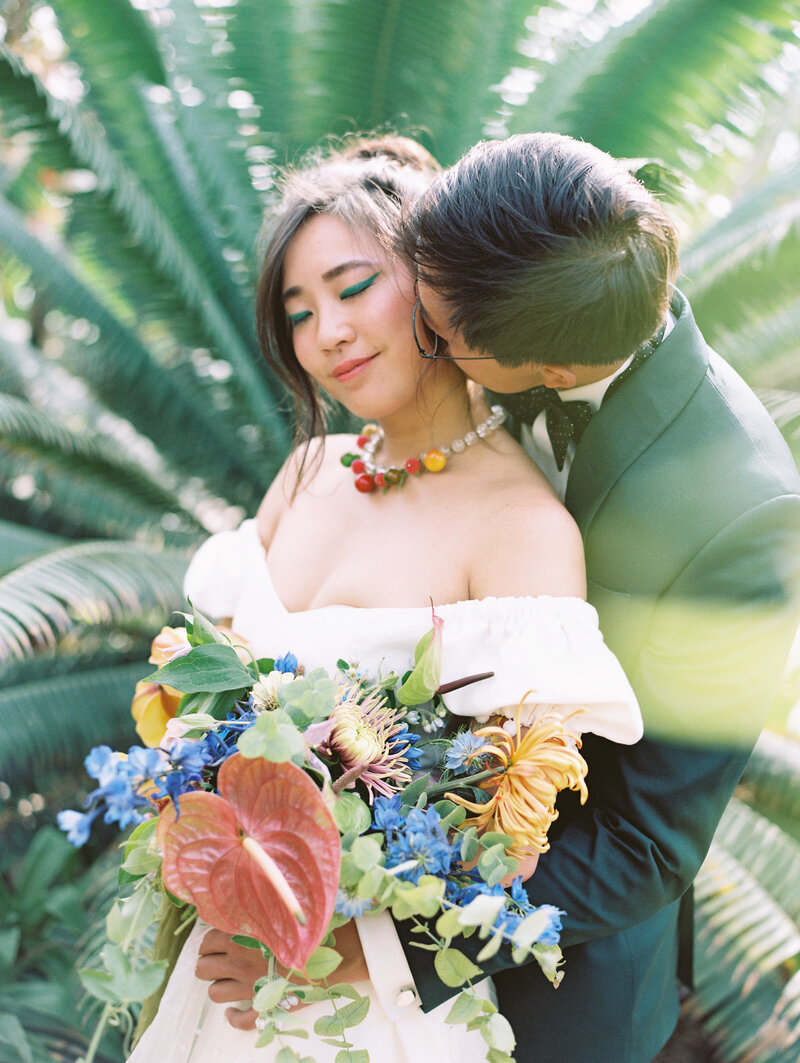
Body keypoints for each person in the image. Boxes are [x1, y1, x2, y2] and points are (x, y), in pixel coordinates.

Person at [127, 136, 643, 1063]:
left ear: (435, 283)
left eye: (353, 286)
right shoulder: (304, 473)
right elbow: (203, 714)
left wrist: (340, 956)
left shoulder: (520, 527)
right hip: (222, 973)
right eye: (298, 310)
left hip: (368, 1009)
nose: (326, 331)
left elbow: (516, 843)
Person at [390, 132, 800, 1063]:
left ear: (555, 372)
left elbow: (647, 842)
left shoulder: (742, 515)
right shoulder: (520, 251)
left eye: (439, 335)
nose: (422, 346)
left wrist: (404, 937)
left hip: (548, 998)